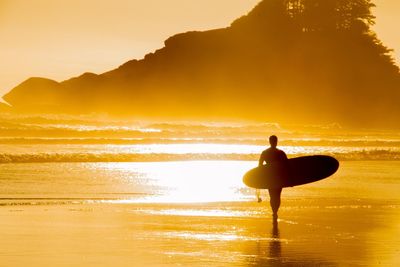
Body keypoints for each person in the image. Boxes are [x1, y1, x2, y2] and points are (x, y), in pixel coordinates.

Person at [258, 135, 287, 220]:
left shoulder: (265, 152)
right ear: (275, 142)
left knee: (272, 195)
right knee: (277, 195)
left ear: (270, 142)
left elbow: (260, 165)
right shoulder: (281, 152)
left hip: (270, 177)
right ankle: (275, 211)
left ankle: (274, 212)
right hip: (279, 177)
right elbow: (287, 165)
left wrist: (261, 177)